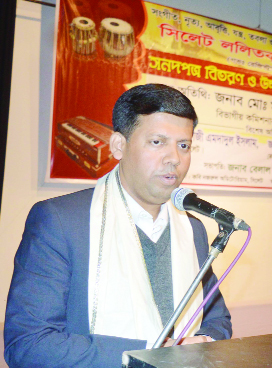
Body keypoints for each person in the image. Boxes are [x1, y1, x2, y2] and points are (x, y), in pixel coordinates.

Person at [4, 84, 232, 367]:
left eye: (183, 145)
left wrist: (203, 344)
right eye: (157, 142)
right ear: (118, 146)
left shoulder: (193, 228)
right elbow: (28, 345)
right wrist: (150, 354)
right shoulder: (61, 221)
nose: (175, 158)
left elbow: (217, 319)